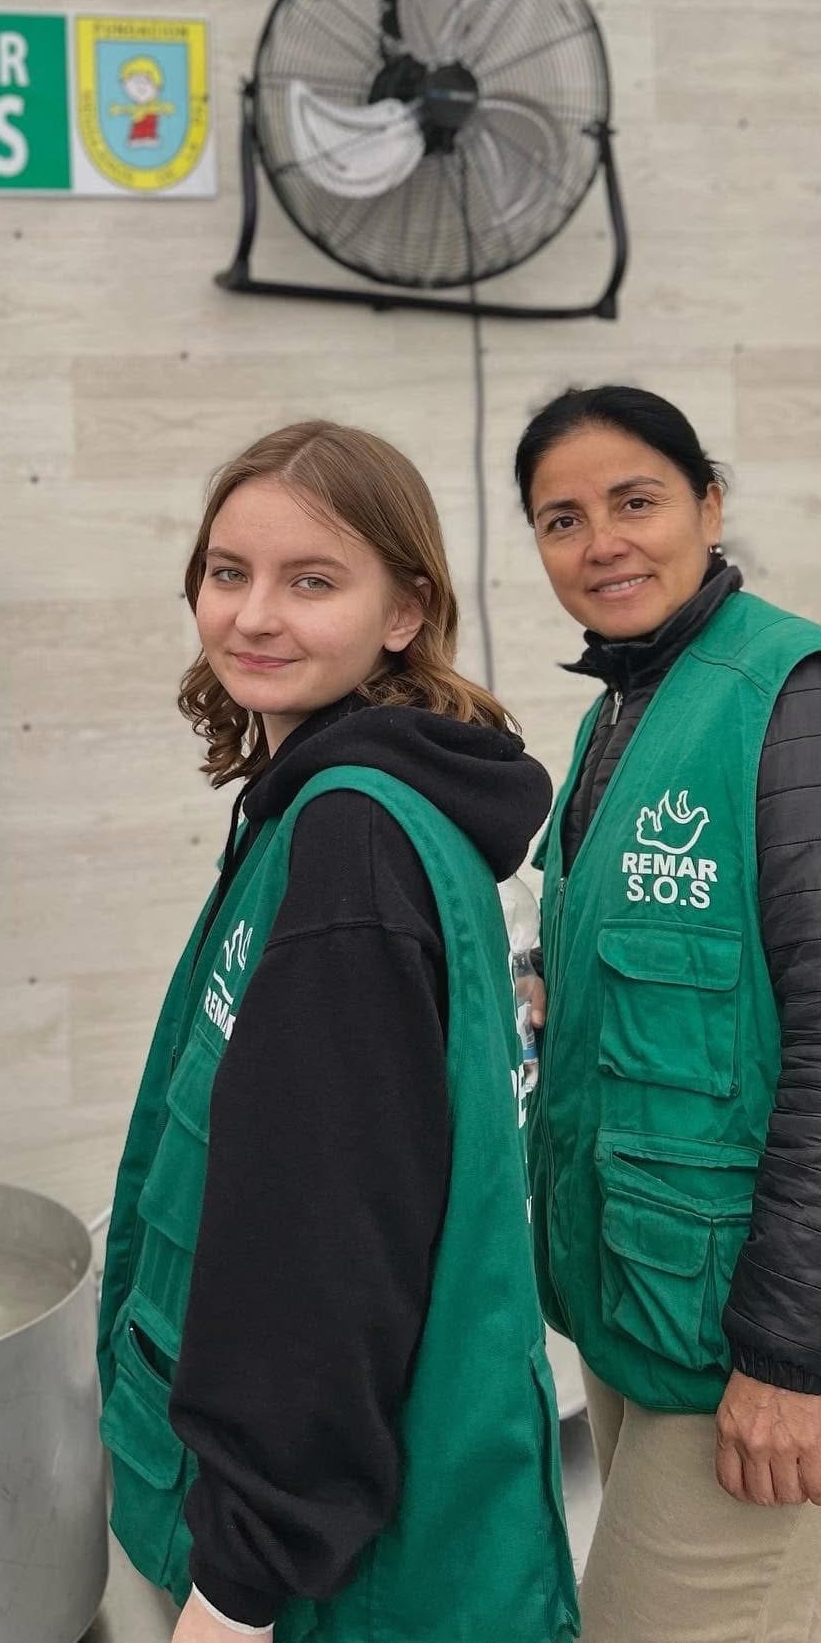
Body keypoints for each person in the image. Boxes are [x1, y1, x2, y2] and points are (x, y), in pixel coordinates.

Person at [97, 421, 578, 1643]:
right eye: (228, 573)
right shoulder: (324, 801)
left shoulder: (351, 845)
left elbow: (328, 1246)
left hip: (310, 1577)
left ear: (404, 612)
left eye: (312, 582)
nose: (255, 615)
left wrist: (238, 1585)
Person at [516, 385, 821, 1643]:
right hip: (638, 1300)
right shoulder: (619, 708)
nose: (602, 544)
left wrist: (793, 1359)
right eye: (562, 519)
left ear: (708, 503)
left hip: (751, 1342)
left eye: (635, 501)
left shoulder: (789, 700)